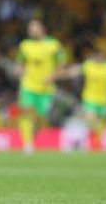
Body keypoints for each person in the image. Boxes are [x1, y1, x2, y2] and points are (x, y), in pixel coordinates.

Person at [13, 19, 65, 154]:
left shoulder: (54, 45)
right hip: (28, 85)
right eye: (30, 28)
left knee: (41, 118)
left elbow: (62, 64)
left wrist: (53, 76)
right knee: (26, 111)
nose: (31, 30)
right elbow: (19, 63)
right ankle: (27, 144)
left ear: (42, 29)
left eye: (34, 27)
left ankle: (32, 136)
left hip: (45, 88)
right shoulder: (24, 46)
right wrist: (18, 70)